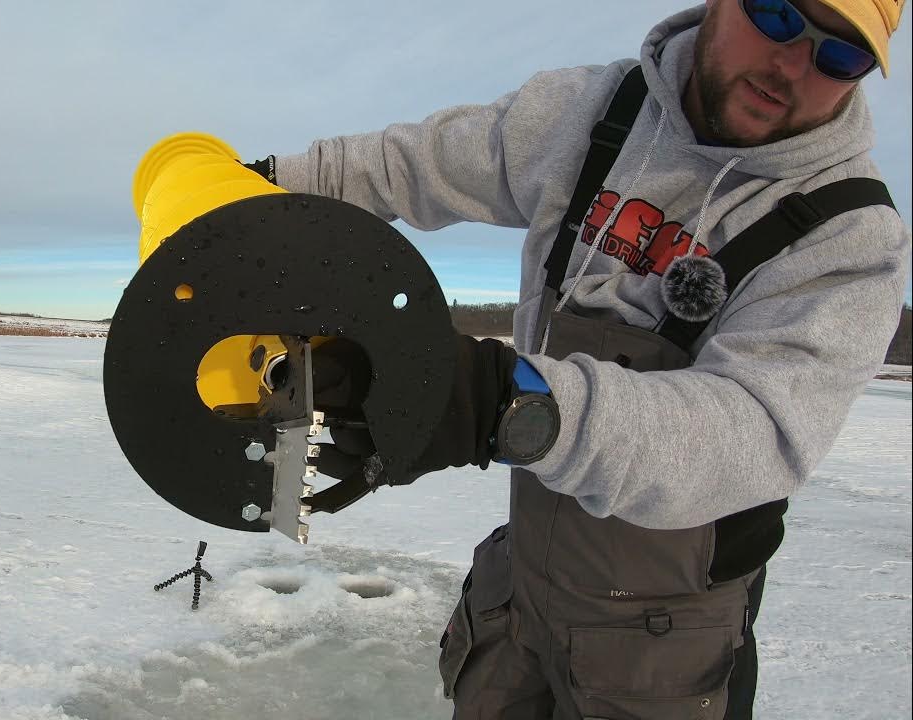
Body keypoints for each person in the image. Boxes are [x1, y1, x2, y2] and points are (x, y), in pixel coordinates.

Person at [244, 1, 910, 717]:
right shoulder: (594, 112)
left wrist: (506, 405)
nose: (793, 64)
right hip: (524, 583)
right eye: (778, 15)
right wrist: (258, 188)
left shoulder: (849, 237)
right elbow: (415, 163)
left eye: (840, 55)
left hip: (665, 644)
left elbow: (749, 434)